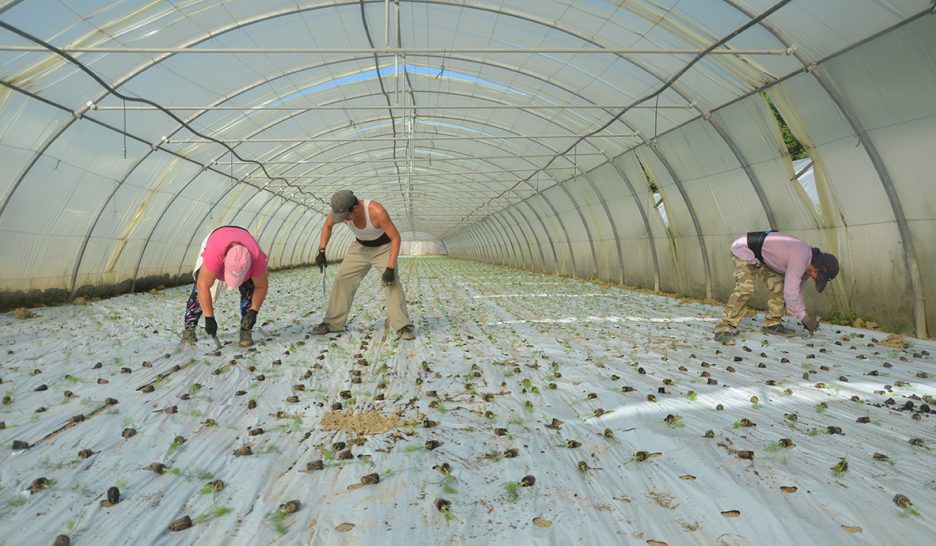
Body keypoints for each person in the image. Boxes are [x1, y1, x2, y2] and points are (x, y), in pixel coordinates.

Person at [312, 190, 415, 340]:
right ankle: (332, 324)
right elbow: (328, 225)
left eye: (345, 216)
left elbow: (396, 238)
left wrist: (390, 267)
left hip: (383, 248)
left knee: (391, 283)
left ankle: (403, 326)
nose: (343, 220)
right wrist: (322, 250)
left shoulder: (376, 211)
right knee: (342, 279)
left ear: (355, 208)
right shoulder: (340, 210)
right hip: (360, 248)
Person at [713, 231, 839, 345]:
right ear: (818, 268)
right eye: (817, 275)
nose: (814, 277)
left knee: (780, 286)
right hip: (745, 249)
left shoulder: (809, 265)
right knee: (745, 288)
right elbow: (791, 293)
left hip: (761, 257)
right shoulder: (800, 257)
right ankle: (723, 328)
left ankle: (772, 324)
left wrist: (803, 314)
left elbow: (797, 290)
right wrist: (804, 318)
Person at [182, 226, 269, 347]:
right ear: (223, 261)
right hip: (217, 240)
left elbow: (262, 287)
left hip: (246, 243)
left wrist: (254, 311)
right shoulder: (214, 254)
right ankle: (189, 330)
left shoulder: (257, 258)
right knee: (198, 294)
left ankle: (246, 330)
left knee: (250, 290)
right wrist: (209, 317)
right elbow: (203, 286)